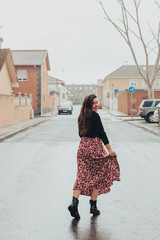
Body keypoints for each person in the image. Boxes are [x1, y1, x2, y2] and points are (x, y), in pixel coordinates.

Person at [68, 94, 120, 219]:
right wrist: (110, 150)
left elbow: (80, 135)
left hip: (83, 148)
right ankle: (93, 206)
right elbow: (102, 133)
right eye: (94, 103)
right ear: (89, 104)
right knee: (97, 176)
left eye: (97, 102)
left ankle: (74, 203)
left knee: (81, 175)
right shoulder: (95, 115)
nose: (96, 105)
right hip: (95, 147)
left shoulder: (81, 116)